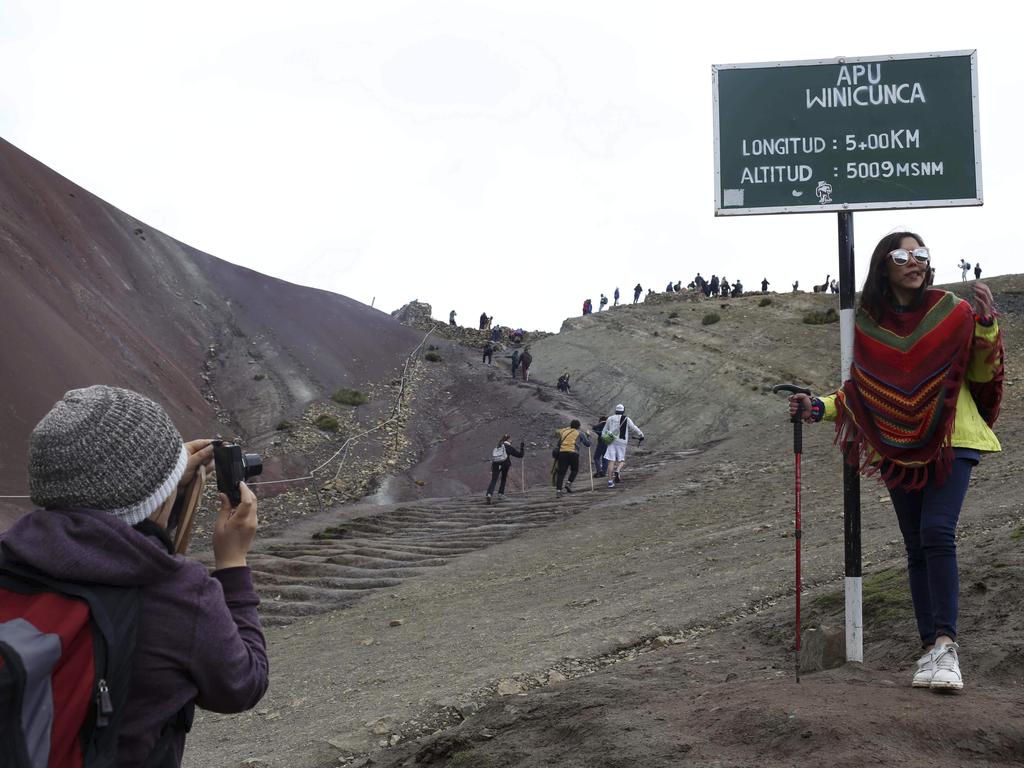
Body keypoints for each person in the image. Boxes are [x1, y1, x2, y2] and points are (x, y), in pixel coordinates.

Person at [0, 385, 269, 766]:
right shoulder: (178, 593)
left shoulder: (12, 554)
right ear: (157, 494)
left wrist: (161, 481)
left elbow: (112, 523)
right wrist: (233, 562)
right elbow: (243, 684)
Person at [787, 231, 1003, 693]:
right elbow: (861, 392)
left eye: (921, 254)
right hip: (896, 448)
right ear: (883, 265)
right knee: (915, 546)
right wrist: (818, 407)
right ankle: (929, 651)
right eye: (903, 255)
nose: (915, 261)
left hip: (953, 437)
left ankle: (947, 646)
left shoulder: (953, 311)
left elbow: (984, 375)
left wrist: (986, 325)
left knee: (936, 532)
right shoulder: (869, 325)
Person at [601, 404, 644, 488]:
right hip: (622, 442)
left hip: (611, 441)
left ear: (615, 410)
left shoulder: (610, 418)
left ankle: (610, 481)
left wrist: (604, 438)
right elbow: (633, 427)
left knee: (611, 461)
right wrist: (641, 434)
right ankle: (617, 470)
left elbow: (604, 431)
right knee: (621, 460)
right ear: (623, 410)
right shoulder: (626, 419)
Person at [552, 420, 592, 497]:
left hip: (562, 453)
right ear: (579, 426)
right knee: (574, 470)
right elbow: (587, 444)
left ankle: (558, 491)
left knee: (561, 473)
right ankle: (568, 483)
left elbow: (559, 443)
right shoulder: (580, 433)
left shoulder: (564, 432)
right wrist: (588, 436)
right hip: (573, 454)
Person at [486, 434, 525, 503]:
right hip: (505, 464)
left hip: (495, 464)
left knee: (494, 480)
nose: (511, 440)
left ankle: (489, 494)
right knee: (503, 479)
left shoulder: (498, 446)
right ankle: (500, 494)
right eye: (510, 439)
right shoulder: (509, 447)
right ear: (508, 440)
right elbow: (520, 455)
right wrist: (522, 447)